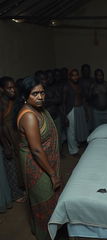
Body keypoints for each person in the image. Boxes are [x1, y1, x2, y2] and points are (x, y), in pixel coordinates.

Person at [16, 76, 61, 240]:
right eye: (35, 94)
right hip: (36, 166)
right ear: (25, 96)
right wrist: (53, 174)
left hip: (45, 163)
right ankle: (45, 235)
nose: (40, 97)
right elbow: (35, 149)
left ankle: (53, 230)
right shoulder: (29, 116)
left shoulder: (39, 110)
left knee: (52, 197)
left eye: (42, 92)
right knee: (43, 200)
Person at [0, 76, 25, 202]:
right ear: (2, 89)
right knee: (11, 167)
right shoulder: (1, 102)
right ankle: (16, 194)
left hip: (15, 133)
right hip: (7, 136)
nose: (12, 90)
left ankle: (21, 188)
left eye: (13, 87)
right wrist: (5, 145)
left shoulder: (14, 99)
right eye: (9, 88)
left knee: (19, 163)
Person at [63, 69, 89, 156]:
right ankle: (73, 150)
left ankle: (78, 144)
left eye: (76, 75)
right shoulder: (66, 87)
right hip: (71, 110)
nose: (75, 77)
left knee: (80, 128)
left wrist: (86, 111)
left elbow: (83, 99)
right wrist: (64, 116)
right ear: (69, 76)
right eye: (73, 75)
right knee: (71, 131)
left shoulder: (79, 85)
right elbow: (63, 102)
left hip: (80, 108)